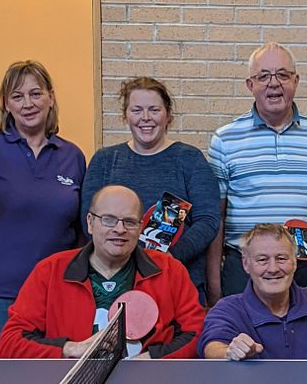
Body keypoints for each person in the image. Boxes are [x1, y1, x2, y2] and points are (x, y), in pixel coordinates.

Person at [0, 60, 86, 358]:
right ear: (6, 104)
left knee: (54, 371)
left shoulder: (73, 155)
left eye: (35, 94)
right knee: (7, 373)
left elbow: (81, 230)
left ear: (51, 98)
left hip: (56, 291)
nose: (28, 104)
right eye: (17, 96)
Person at [0, 185, 205, 359]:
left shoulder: (170, 270)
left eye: (130, 222)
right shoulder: (50, 270)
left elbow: (197, 334)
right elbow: (10, 342)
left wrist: (153, 358)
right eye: (108, 219)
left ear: (141, 227)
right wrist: (71, 349)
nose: (120, 229)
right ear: (90, 222)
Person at [206, 42, 307, 304]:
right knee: (243, 343)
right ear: (250, 85)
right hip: (243, 269)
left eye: (282, 75)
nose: (273, 83)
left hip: (306, 267)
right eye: (263, 76)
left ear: (296, 81)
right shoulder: (225, 139)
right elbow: (215, 217)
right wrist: (214, 282)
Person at [81, 77, 219, 304]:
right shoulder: (105, 160)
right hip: (113, 284)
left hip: (179, 281)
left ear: (168, 115)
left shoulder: (190, 159)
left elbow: (208, 221)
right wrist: (129, 261)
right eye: (137, 110)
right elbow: (89, 221)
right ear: (125, 116)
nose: (146, 118)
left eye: (154, 110)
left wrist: (169, 258)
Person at [198, 224, 307, 360]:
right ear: (246, 264)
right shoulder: (228, 308)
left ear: (295, 262)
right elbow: (212, 347)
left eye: (281, 258)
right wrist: (229, 351)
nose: (273, 268)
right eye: (262, 260)